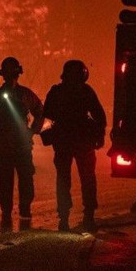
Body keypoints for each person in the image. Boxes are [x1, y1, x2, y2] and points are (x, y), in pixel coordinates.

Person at [43, 60, 106, 232]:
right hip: (82, 140)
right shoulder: (85, 91)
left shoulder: (56, 92)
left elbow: (47, 115)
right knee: (87, 178)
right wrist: (100, 136)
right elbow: (99, 115)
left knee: (64, 179)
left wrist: (50, 133)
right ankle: (88, 216)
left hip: (64, 140)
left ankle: (64, 217)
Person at [0, 57, 44, 229]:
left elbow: (40, 111)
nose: (11, 77)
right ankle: (6, 211)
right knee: (6, 181)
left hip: (21, 145)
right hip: (5, 145)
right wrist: (1, 104)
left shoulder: (25, 94)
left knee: (25, 178)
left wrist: (32, 131)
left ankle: (24, 209)